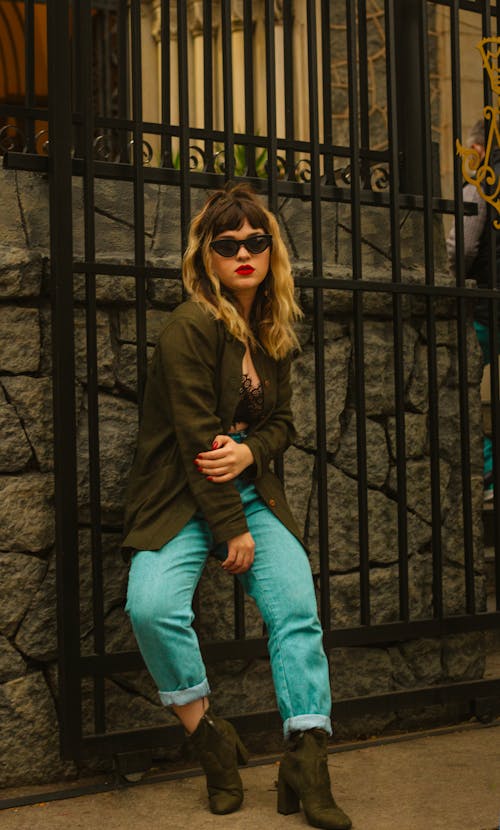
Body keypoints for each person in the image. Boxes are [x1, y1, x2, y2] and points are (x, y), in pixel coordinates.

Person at [122, 184, 351, 830]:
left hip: (248, 490)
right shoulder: (189, 325)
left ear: (271, 251)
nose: (244, 253)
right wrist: (232, 531)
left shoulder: (271, 329)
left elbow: (283, 425)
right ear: (207, 257)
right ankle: (213, 742)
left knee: (297, 610)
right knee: (151, 606)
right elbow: (199, 441)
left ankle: (306, 760)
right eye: (228, 244)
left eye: (257, 241)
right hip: (180, 499)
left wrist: (250, 454)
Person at [447, 118, 499, 501]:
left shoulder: (481, 186)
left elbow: (461, 248)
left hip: (484, 303)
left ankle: (488, 475)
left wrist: (451, 279)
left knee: (457, 385)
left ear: (478, 149)